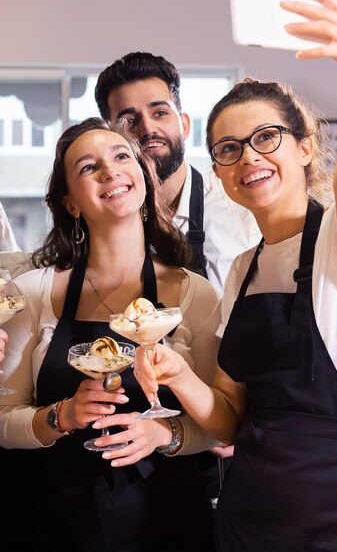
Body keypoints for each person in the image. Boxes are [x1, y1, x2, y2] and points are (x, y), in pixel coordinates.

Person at [134, 0, 337, 551]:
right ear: (217, 170)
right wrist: (175, 372)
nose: (249, 158)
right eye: (228, 149)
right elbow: (228, 419)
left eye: (267, 138)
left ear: (306, 146)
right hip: (252, 514)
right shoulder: (242, 269)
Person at [0, 117, 220, 552]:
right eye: (88, 167)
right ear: (71, 204)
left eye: (122, 157)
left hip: (172, 524)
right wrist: (61, 415)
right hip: (61, 523)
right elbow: (4, 420)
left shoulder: (194, 294)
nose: (110, 171)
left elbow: (221, 425)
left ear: (142, 176)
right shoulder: (32, 293)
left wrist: (167, 434)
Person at [94, 51, 261, 296]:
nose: (148, 128)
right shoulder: (102, 224)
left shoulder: (240, 211)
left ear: (184, 125)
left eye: (160, 113)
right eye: (129, 120)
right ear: (110, 137)